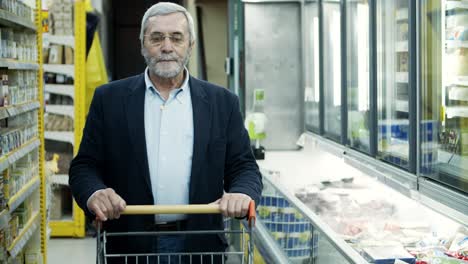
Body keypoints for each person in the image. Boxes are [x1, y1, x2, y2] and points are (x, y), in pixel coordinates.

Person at [69, 2, 262, 264]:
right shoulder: (109, 99)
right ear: (142, 44)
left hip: (200, 245)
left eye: (176, 37)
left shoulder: (222, 102)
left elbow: (244, 167)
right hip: (128, 246)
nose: (167, 47)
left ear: (190, 45)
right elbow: (84, 167)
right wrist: (95, 193)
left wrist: (242, 192)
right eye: (156, 38)